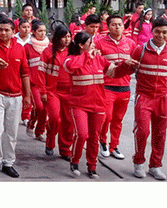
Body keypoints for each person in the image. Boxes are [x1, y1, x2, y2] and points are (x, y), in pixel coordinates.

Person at [64, 31, 133, 179]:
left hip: (98, 105)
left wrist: (127, 66)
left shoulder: (100, 60)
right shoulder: (71, 59)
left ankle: (92, 166)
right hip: (79, 104)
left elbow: (115, 73)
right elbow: (71, 67)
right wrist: (87, 56)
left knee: (94, 137)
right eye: (91, 42)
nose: (95, 45)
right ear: (81, 45)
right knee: (82, 134)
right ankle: (74, 161)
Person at [0, 16, 31, 178]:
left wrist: (28, 95)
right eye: (0, 29)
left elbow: (25, 73)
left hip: (16, 95)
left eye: (7, 30)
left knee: (12, 132)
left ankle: (8, 162)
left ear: (13, 31)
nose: (3, 32)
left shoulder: (20, 49)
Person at [129, 17, 167, 180]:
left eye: (165, 32)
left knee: (160, 134)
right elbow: (126, 69)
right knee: (142, 131)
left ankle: (155, 166)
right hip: (143, 97)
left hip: (163, 99)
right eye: (157, 31)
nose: (161, 35)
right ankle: (138, 162)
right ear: (151, 31)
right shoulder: (141, 50)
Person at [94, 14, 137, 160]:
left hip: (124, 87)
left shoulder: (130, 44)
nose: (117, 27)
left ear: (124, 26)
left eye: (120, 24)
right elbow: (95, 63)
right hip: (106, 87)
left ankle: (114, 146)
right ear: (108, 26)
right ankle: (103, 142)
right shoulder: (99, 43)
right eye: (114, 24)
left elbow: (136, 63)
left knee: (118, 120)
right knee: (107, 117)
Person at [38, 24, 73, 159]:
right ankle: (50, 142)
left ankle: (65, 149)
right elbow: (40, 74)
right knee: (54, 119)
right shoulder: (47, 52)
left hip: (69, 92)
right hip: (52, 92)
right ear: (57, 37)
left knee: (68, 122)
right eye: (64, 37)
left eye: (69, 37)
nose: (67, 40)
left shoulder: (73, 52)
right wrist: (43, 91)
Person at [24, 20, 49, 141]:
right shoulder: (27, 47)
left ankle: (39, 132)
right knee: (39, 107)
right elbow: (24, 67)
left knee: (45, 109)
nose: (43, 33)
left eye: (44, 31)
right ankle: (31, 122)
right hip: (33, 83)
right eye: (40, 31)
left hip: (46, 83)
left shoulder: (49, 46)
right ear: (33, 32)